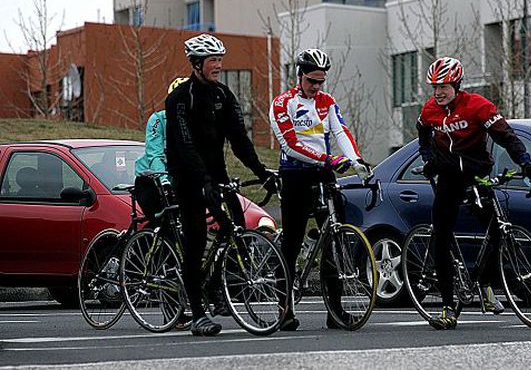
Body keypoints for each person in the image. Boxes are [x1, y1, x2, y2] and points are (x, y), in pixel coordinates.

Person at [416, 56, 531, 330]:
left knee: (497, 228)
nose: (438, 92)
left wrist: (526, 163)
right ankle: (449, 307)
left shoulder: (477, 106)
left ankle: (485, 284)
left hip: (477, 172)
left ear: (457, 84)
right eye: (434, 86)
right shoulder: (429, 110)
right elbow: (423, 134)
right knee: (441, 234)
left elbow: (507, 137)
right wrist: (428, 159)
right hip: (448, 176)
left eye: (444, 86)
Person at [165, 33, 277, 337]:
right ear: (197, 64)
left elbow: (240, 140)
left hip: (216, 173)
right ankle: (198, 314)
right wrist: (202, 180)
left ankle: (215, 286)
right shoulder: (179, 99)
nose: (218, 65)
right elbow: (186, 145)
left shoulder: (224, 96)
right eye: (213, 60)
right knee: (197, 240)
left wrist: (261, 170)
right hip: (187, 177)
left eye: (220, 60)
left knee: (235, 227)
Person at [269, 48, 370, 331]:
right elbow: (290, 145)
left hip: (324, 173)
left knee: (335, 241)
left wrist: (355, 159)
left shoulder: (327, 101)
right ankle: (284, 309)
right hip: (295, 176)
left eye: (321, 82)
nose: (316, 87)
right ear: (299, 76)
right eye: (312, 81)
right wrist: (328, 159)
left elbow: (340, 132)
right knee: (291, 241)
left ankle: (335, 311)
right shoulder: (282, 103)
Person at [133, 77, 190, 330]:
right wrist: (164, 181)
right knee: (168, 236)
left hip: (179, 181)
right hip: (151, 182)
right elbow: (155, 155)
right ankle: (171, 311)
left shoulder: (194, 122)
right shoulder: (158, 120)